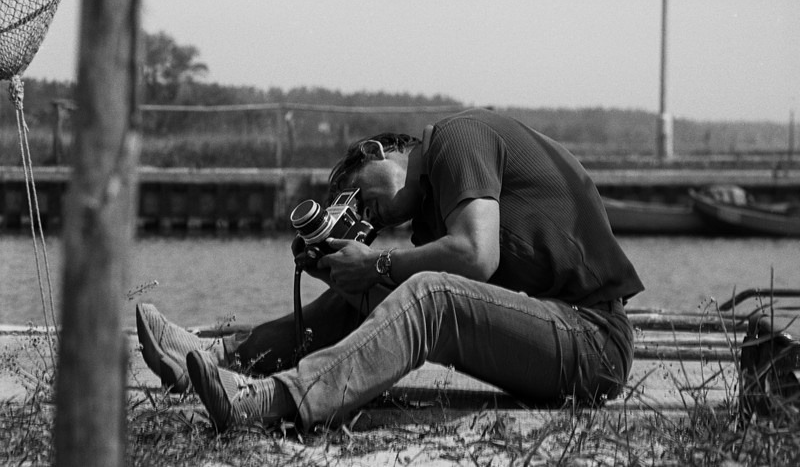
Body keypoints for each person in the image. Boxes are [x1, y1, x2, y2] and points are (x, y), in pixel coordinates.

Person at [136, 107, 644, 432]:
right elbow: (397, 324)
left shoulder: (455, 138)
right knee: (386, 291)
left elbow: (476, 255)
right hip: (553, 334)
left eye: (356, 196)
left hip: (593, 342)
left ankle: (266, 399)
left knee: (429, 291)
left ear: (380, 152)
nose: (364, 215)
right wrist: (341, 276)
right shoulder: (431, 221)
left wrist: (377, 262)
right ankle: (213, 358)